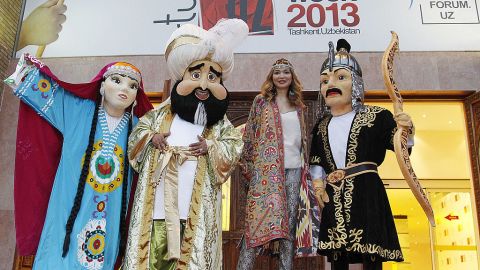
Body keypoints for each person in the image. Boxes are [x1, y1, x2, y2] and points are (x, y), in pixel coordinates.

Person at [4, 53, 152, 269]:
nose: (124, 89)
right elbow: (31, 85)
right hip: (66, 213)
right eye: (117, 80)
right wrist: (29, 68)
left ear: (136, 96)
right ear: (101, 86)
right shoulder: (76, 110)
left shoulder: (139, 129)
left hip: (110, 221)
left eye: (132, 86)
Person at [123, 18, 248, 270]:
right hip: (155, 206)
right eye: (196, 74)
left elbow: (234, 146)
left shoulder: (219, 123)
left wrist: (210, 147)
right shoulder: (161, 114)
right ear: (183, 77)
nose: (203, 84)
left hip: (195, 209)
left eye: (212, 76)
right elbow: (137, 137)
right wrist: (152, 138)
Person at [309, 39, 414, 270]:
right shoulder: (321, 126)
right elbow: (316, 162)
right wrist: (318, 188)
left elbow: (400, 148)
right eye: (325, 81)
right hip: (332, 193)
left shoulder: (377, 116)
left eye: (340, 77)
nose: (330, 84)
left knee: (371, 251)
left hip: (367, 190)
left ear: (356, 83)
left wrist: (406, 130)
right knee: (338, 254)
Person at [237, 58, 319, 270]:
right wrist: (248, 168)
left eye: (286, 72)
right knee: (254, 226)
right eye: (277, 72)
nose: (281, 76)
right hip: (265, 174)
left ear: (292, 77)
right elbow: (250, 135)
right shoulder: (261, 102)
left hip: (294, 171)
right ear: (271, 77)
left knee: (289, 228)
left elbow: (303, 142)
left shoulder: (299, 106)